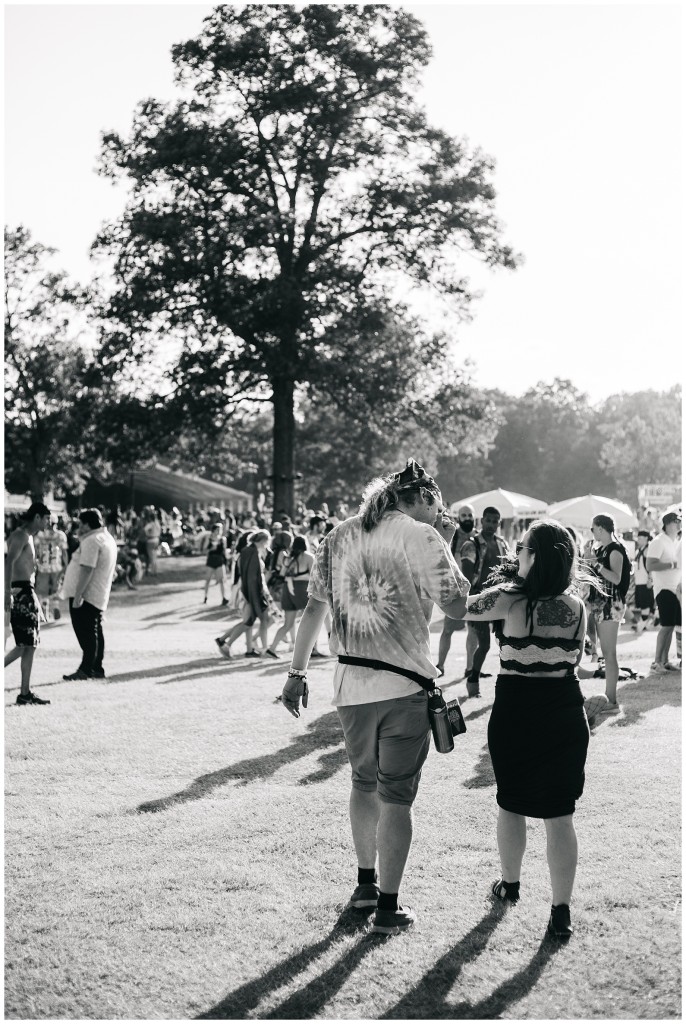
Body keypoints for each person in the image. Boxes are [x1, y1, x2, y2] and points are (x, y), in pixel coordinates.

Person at [280, 459, 470, 935]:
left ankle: (365, 884)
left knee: (363, 785)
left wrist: (296, 673)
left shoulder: (340, 534)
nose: (439, 513)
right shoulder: (420, 535)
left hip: (349, 687)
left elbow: (313, 609)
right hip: (404, 686)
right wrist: (447, 546)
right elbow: (457, 605)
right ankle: (388, 906)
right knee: (397, 798)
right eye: (437, 504)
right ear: (422, 498)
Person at [463, 518, 593, 940]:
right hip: (564, 712)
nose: (515, 553)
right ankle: (560, 912)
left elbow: (458, 604)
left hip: (516, 712)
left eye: (521, 548)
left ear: (535, 557)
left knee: (511, 802)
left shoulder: (509, 600)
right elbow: (574, 661)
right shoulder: (578, 608)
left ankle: (510, 886)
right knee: (560, 815)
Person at [61, 508, 118, 680]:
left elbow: (87, 568)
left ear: (87, 524)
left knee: (86, 632)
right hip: (97, 592)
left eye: (80, 524)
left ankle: (86, 669)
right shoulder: (106, 538)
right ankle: (96, 667)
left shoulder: (93, 540)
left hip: (87, 593)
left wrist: (78, 595)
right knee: (95, 631)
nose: (78, 528)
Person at [4, 502, 52, 706]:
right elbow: (7, 563)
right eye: (46, 518)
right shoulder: (21, 535)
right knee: (25, 644)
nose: (49, 522)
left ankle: (25, 693)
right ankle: (24, 692)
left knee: (30, 644)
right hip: (20, 591)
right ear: (38, 517)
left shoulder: (29, 537)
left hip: (26, 591)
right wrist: (6, 592)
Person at [460, 506, 510, 696]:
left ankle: (507, 684)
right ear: (482, 521)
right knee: (485, 644)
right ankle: (473, 680)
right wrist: (472, 600)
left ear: (499, 523)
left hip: (501, 599)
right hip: (479, 600)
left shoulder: (502, 544)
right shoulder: (471, 545)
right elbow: (465, 579)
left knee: (507, 643)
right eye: (488, 520)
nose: (491, 524)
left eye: (495, 521)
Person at [585, 514, 632, 709]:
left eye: (593, 528)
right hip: (601, 604)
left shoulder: (615, 549)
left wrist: (594, 562)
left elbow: (616, 578)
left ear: (601, 529)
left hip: (611, 605)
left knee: (609, 653)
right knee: (606, 652)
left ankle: (611, 700)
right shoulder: (603, 549)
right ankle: (609, 697)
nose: (592, 532)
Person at [215, 530, 272, 658]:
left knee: (248, 621)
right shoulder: (251, 552)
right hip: (250, 593)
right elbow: (251, 577)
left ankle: (225, 641)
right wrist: (255, 598)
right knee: (249, 621)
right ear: (263, 541)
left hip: (248, 592)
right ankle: (226, 643)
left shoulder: (249, 551)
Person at [436, 503, 475, 678]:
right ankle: (440, 666)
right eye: (464, 515)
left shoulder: (477, 537)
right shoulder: (453, 534)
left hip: (474, 590)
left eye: (469, 515)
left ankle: (470, 668)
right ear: (459, 517)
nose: (467, 518)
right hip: (455, 590)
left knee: (473, 631)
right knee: (447, 630)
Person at [265, 535, 313, 658]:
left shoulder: (288, 558)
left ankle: (271, 649)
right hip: (302, 588)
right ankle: (313, 650)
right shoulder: (308, 557)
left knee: (287, 624)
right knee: (311, 621)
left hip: (287, 589)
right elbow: (314, 576)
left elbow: (282, 574)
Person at [646, 511, 682, 672]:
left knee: (671, 625)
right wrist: (672, 565)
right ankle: (656, 662)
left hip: (676, 588)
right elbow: (650, 565)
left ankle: (665, 661)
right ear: (668, 523)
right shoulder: (658, 541)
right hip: (663, 588)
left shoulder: (675, 541)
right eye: (677, 521)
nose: (680, 524)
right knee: (666, 625)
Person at [35, 517, 68, 621]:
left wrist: (34, 562)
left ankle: (45, 609)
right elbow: (64, 552)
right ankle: (56, 607)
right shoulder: (61, 535)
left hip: (42, 566)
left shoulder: (40, 535)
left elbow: (35, 550)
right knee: (55, 588)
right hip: (56, 565)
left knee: (42, 590)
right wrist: (66, 565)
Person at [631, 530, 655, 634]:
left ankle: (642, 624)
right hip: (639, 581)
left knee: (645, 604)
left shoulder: (648, 549)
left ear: (646, 538)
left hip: (645, 581)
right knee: (642, 604)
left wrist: (650, 580)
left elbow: (651, 567)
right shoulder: (639, 550)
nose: (638, 540)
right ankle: (646, 623)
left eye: (640, 538)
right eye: (638, 538)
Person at [202, 524, 229, 605]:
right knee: (208, 580)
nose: (219, 531)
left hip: (219, 561)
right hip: (211, 560)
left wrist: (226, 562)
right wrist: (211, 548)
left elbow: (224, 552)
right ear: (213, 530)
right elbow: (204, 550)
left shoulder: (223, 539)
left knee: (222, 580)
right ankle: (205, 597)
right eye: (218, 529)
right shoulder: (209, 539)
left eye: (220, 529)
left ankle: (224, 598)